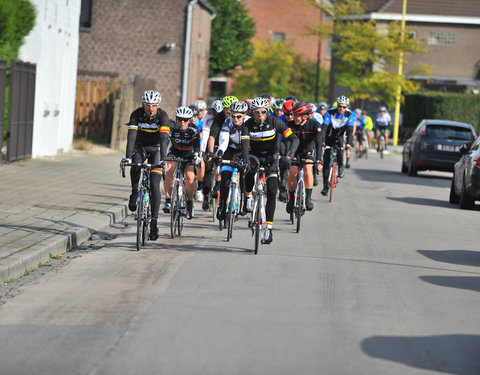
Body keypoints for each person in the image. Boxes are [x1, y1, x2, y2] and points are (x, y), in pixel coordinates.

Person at [241, 97, 299, 244]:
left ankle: (268, 229)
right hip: (255, 156)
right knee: (249, 170)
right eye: (256, 112)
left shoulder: (275, 122)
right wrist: (246, 159)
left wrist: (288, 156)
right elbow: (245, 143)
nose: (259, 115)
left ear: (267, 111)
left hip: (271, 158)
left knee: (273, 191)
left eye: (262, 112)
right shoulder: (247, 124)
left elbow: (294, 139)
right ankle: (247, 197)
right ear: (252, 112)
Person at [124, 90, 170, 241]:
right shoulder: (136, 115)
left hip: (157, 147)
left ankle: (154, 222)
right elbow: (131, 137)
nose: (151, 108)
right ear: (143, 104)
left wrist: (163, 159)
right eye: (148, 105)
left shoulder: (163, 116)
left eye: (154, 105)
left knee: (155, 183)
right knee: (135, 162)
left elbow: (164, 140)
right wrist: (127, 158)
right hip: (140, 145)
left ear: (159, 105)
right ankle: (134, 192)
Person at [163, 106, 201, 220]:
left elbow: (197, 145)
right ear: (176, 119)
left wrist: (197, 155)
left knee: (190, 177)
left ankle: (189, 203)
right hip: (175, 152)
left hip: (189, 155)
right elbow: (165, 140)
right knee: (168, 171)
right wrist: (162, 154)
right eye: (179, 119)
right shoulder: (172, 128)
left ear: (189, 120)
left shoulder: (193, 129)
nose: (182, 122)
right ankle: (168, 200)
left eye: (185, 120)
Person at [284, 102, 322, 212]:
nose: (293, 117)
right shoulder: (290, 125)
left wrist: (319, 160)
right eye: (293, 114)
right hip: (294, 152)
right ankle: (291, 199)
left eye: (296, 115)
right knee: (293, 173)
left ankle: (308, 199)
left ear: (305, 116)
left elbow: (319, 143)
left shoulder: (314, 125)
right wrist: (287, 156)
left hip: (308, 152)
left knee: (307, 168)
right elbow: (287, 142)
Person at [215, 101, 250, 220]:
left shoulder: (250, 122)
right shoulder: (227, 122)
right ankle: (222, 205)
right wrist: (220, 152)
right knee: (225, 179)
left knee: (245, 176)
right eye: (233, 115)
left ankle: (245, 201)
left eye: (238, 116)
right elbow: (223, 139)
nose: (235, 119)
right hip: (231, 150)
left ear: (244, 115)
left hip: (246, 151)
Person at [203, 95, 238, 209]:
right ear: (223, 109)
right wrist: (210, 152)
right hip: (219, 141)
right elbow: (212, 136)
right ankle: (213, 188)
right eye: (227, 111)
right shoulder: (219, 117)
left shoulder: (238, 117)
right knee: (212, 161)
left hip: (233, 144)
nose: (229, 114)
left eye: (231, 111)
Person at [320, 95, 355, 196]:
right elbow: (324, 128)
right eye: (340, 106)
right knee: (326, 163)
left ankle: (340, 167)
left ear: (347, 107)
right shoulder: (330, 112)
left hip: (340, 137)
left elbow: (350, 131)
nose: (341, 109)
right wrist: (322, 142)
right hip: (329, 136)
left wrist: (349, 145)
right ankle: (325, 186)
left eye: (344, 107)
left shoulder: (350, 115)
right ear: (337, 105)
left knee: (340, 151)